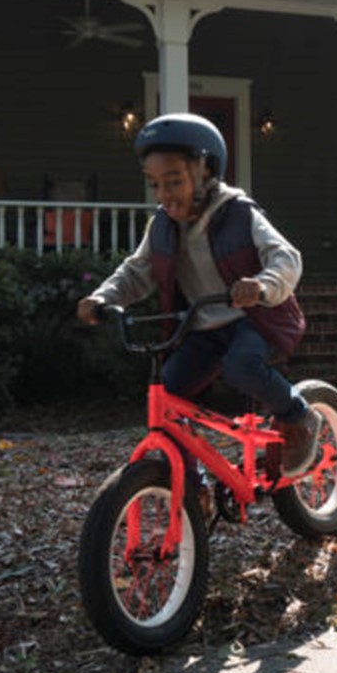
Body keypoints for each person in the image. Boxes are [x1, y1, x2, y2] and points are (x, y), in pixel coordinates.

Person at [77, 113, 319, 473]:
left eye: (173, 181)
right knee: (168, 393)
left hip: (252, 319)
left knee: (241, 367)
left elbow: (286, 258)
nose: (164, 195)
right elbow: (136, 270)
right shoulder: (161, 225)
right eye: (154, 184)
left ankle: (298, 415)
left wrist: (263, 286)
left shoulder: (239, 213)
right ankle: (191, 481)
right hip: (202, 327)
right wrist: (104, 297)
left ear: (205, 171)